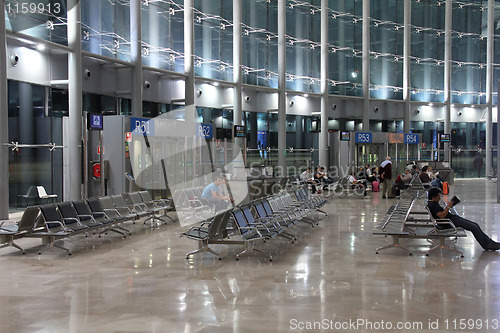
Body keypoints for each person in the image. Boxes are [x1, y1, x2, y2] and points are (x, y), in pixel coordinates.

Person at [427, 187, 500, 251]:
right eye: (438, 196)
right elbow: (441, 216)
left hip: (452, 220)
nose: (440, 198)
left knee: (475, 225)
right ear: (433, 197)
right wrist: (448, 207)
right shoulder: (432, 205)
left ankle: (489, 243)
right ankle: (488, 244)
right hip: (450, 222)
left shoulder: (433, 203)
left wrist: (449, 206)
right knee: (474, 227)